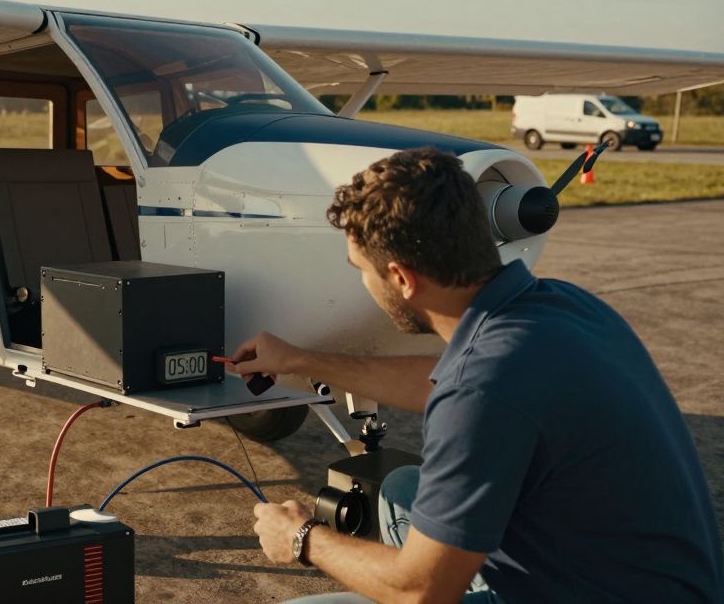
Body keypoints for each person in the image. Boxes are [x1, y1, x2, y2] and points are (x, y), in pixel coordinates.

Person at [226, 147, 723, 603]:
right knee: (404, 490)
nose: (362, 279)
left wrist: (301, 537)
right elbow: (444, 382)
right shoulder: (562, 306)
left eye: (361, 268)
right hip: (669, 584)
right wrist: (300, 360)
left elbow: (420, 590)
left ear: (401, 278)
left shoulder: (482, 390)